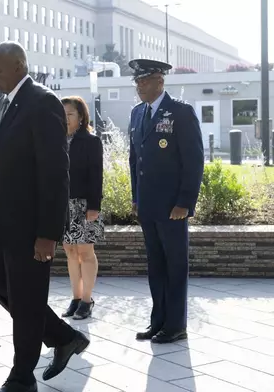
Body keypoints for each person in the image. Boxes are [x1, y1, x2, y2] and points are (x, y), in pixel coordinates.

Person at [0, 41, 89, 392]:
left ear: (19, 66)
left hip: (29, 228)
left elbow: (56, 172)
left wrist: (48, 233)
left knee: (26, 301)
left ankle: (21, 376)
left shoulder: (42, 103)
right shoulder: (5, 103)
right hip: (3, 225)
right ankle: (62, 336)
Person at [128, 59, 204, 344]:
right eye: (136, 82)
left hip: (173, 207)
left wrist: (185, 202)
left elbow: (194, 162)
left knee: (174, 266)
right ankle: (157, 320)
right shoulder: (137, 114)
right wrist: (136, 197)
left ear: (160, 81)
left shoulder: (181, 113)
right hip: (148, 206)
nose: (139, 86)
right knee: (156, 265)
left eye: (144, 81)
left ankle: (175, 325)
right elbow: (135, 160)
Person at [59, 96, 104, 321]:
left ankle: (87, 300)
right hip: (62, 205)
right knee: (70, 251)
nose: (65, 119)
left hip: (85, 205)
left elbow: (97, 176)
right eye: (62, 114)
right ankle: (75, 299)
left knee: (85, 252)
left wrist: (94, 206)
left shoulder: (91, 141)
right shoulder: (55, 139)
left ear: (81, 116)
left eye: (70, 114)